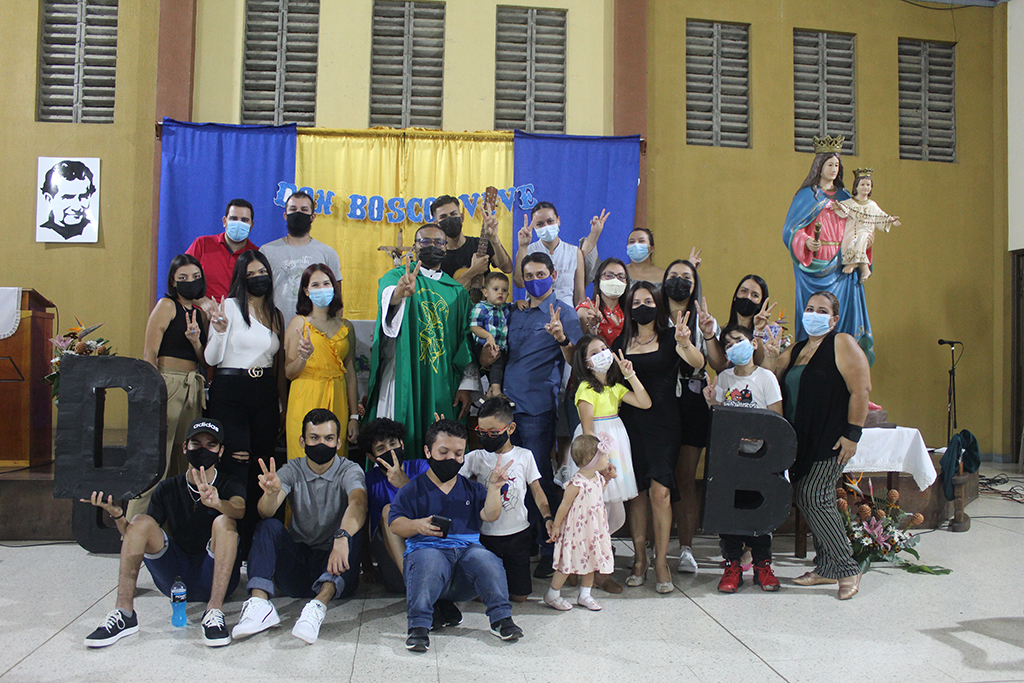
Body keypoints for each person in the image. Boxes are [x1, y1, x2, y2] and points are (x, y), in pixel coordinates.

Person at [82, 419, 245, 648]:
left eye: (210, 445)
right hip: (175, 577)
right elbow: (140, 535)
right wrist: (119, 517)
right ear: (184, 447)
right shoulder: (168, 487)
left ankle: (214, 613)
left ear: (221, 451)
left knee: (225, 522)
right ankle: (124, 613)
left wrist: (218, 503)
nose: (202, 450)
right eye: (196, 443)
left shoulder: (230, 484)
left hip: (214, 573)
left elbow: (238, 510)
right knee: (140, 521)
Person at [388, 419, 524, 652]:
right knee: (429, 560)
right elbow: (395, 524)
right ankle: (418, 627)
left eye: (458, 453)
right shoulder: (412, 489)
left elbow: (490, 515)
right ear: (427, 451)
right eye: (444, 452)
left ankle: (501, 619)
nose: (452, 458)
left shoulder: (472, 488)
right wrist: (417, 526)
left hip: (466, 559)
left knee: (487, 559)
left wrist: (493, 488)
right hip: (426, 555)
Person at [768, 291, 870, 600]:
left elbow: (860, 388)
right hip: (801, 437)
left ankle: (847, 567)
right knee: (813, 497)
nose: (814, 314)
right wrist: (772, 353)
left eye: (822, 310)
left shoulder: (842, 343)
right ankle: (826, 567)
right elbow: (772, 375)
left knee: (814, 496)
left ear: (834, 319)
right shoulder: (797, 349)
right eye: (810, 308)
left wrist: (853, 434)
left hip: (831, 436)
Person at [233, 409, 367, 644]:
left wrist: (342, 536)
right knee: (268, 526)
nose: (321, 443)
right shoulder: (292, 469)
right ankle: (259, 605)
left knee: (351, 531)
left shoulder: (349, 469)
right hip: (298, 565)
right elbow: (267, 511)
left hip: (335, 565)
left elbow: (358, 502)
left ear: (338, 442)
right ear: (302, 441)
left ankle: (316, 609)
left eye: (328, 438)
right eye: (314, 438)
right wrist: (270, 494)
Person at [496, 252, 583, 578]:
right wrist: (493, 383)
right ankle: (523, 543)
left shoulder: (564, 312)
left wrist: (561, 337)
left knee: (540, 480)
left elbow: (578, 359)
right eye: (528, 275)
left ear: (554, 273)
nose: (534, 280)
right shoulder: (514, 312)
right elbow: (503, 354)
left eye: (540, 273)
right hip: (506, 409)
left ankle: (551, 547)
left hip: (537, 409)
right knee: (509, 479)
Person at [612, 281, 700, 592]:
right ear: (629, 308)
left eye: (648, 301)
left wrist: (686, 343)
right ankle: (639, 558)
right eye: (636, 302)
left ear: (658, 305)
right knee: (636, 493)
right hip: (630, 423)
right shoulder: (622, 341)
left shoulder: (669, 336)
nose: (642, 307)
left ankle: (661, 560)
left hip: (664, 423)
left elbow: (697, 363)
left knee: (660, 492)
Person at [365, 223, 474, 454]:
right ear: (415, 246)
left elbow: (466, 340)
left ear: (446, 248)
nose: (432, 246)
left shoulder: (457, 291)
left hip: (442, 379)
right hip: (403, 371)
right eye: (425, 241)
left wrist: (467, 386)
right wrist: (399, 293)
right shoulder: (397, 276)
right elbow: (386, 298)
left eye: (438, 242)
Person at [204, 250, 285, 551]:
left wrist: (280, 404)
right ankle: (229, 539)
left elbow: (275, 363)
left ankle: (255, 539)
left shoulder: (275, 315)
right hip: (231, 390)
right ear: (240, 278)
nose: (257, 278)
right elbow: (211, 357)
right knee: (235, 461)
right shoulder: (230, 308)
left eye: (261, 272)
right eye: (250, 274)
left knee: (261, 463)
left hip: (263, 391)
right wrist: (220, 332)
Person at [703, 325, 784, 594]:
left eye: (738, 340)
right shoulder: (724, 379)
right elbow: (720, 420)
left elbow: (777, 421)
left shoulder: (766, 378)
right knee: (730, 514)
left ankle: (763, 565)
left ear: (753, 343)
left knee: (759, 513)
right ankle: (732, 565)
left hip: (761, 461)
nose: (733, 346)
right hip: (731, 460)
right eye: (727, 343)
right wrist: (711, 404)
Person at [782, 134, 874, 363]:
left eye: (837, 165)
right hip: (812, 268)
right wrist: (804, 241)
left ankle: (845, 362)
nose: (834, 169)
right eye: (830, 164)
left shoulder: (845, 197)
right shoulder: (806, 196)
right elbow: (790, 230)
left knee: (843, 318)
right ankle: (808, 362)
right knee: (814, 317)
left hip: (842, 268)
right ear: (819, 166)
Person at [131, 254, 209, 520]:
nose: (190, 282)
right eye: (183, 278)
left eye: (195, 277)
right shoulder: (166, 305)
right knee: (157, 459)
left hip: (193, 387)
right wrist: (156, 396)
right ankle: (134, 526)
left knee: (184, 459)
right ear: (173, 282)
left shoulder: (199, 314)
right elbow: (149, 353)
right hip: (168, 383)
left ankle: (171, 526)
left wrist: (196, 341)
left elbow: (203, 359)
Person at [460, 396, 554, 602]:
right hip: (485, 535)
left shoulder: (524, 456)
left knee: (520, 596)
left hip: (518, 534)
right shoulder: (476, 457)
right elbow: (451, 477)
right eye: (481, 432)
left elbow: (537, 491)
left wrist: (547, 517)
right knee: (482, 595)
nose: (486, 437)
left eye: (493, 433)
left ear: (510, 429)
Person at [284, 264, 358, 461]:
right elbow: (289, 373)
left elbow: (350, 372)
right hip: (306, 396)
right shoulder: (298, 324)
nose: (322, 288)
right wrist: (303, 356)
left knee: (336, 458)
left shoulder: (346, 327)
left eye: (326, 283)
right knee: (303, 456)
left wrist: (354, 416)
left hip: (338, 396)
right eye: (315, 285)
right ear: (306, 291)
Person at [661, 259, 707, 574]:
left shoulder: (703, 317)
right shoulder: (650, 312)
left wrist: (708, 333)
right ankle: (652, 548)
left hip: (691, 400)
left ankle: (686, 548)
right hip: (658, 400)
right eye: (673, 275)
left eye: (686, 276)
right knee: (655, 478)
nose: (679, 281)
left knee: (685, 479)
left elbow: (710, 361)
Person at [543, 434, 615, 611]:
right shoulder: (576, 483)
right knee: (566, 563)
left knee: (591, 560)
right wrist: (556, 526)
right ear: (593, 460)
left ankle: (585, 594)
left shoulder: (597, 478)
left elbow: (598, 493)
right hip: (577, 531)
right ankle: (552, 593)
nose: (608, 459)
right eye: (605, 456)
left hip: (593, 529)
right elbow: (564, 506)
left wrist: (607, 479)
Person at [358, 417, 430, 593]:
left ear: (402, 444)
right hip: (391, 553)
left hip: (424, 542)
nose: (390, 451)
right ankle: (414, 583)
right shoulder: (369, 481)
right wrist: (367, 566)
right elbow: (362, 525)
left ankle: (421, 586)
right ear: (370, 456)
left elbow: (435, 506)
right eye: (381, 448)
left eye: (393, 444)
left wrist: (404, 483)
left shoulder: (421, 467)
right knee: (388, 510)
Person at [261, 191, 342, 321]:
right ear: (285, 215)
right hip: (277, 330)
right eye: (293, 209)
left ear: (313, 216)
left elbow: (337, 301)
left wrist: (335, 331)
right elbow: (260, 297)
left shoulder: (328, 253)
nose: (298, 213)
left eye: (304, 209)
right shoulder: (267, 251)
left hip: (318, 333)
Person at [834, 168, 901, 284]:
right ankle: (853, 262)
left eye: (868, 185)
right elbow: (842, 209)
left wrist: (890, 220)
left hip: (867, 234)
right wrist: (837, 207)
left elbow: (881, 216)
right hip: (850, 234)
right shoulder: (850, 203)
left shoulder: (872, 205)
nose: (865, 187)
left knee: (861, 237)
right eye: (863, 184)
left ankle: (864, 268)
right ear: (856, 187)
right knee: (850, 239)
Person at [513, 202, 587, 307]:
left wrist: (582, 315)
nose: (546, 226)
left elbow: (580, 296)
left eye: (550, 221)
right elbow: (519, 283)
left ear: (558, 221)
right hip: (536, 314)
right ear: (534, 227)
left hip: (566, 315)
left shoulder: (574, 252)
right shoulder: (528, 250)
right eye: (540, 224)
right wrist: (523, 247)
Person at [432, 195, 513, 290]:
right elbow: (442, 293)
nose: (450, 219)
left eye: (453, 214)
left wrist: (494, 238)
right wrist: (473, 271)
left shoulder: (479, 243)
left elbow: (507, 268)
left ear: (462, 217)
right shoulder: (435, 257)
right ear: (436, 224)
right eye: (443, 217)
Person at [185, 199, 259, 301]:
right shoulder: (202, 244)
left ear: (251, 225)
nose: (239, 224)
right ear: (225, 221)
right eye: (233, 218)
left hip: (239, 314)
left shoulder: (257, 254)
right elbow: (183, 280)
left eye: (244, 220)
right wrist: (201, 302)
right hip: (202, 312)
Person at [702, 274, 776, 373]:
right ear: (735, 296)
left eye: (755, 295)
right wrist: (708, 335)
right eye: (744, 291)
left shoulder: (770, 330)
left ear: (760, 304)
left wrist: (759, 332)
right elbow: (719, 366)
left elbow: (761, 368)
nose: (748, 297)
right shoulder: (724, 332)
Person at [576, 257, 630, 346]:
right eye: (609, 275)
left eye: (621, 276)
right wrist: (592, 326)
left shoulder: (630, 310)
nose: (615, 280)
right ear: (599, 278)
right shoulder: (586, 310)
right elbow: (580, 346)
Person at [38, 159, 96, 240]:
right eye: (68, 198)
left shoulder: (91, 230)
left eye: (83, 196)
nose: (77, 207)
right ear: (49, 199)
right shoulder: (43, 232)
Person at [469, 271, 512, 377]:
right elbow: (474, 327)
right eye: (496, 289)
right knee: (496, 363)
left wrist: (519, 302)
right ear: (486, 292)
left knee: (502, 365)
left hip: (501, 347)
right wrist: (488, 336)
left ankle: (491, 390)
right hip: (483, 345)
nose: (500, 293)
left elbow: (514, 305)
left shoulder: (506, 308)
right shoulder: (481, 308)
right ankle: (495, 388)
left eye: (504, 290)